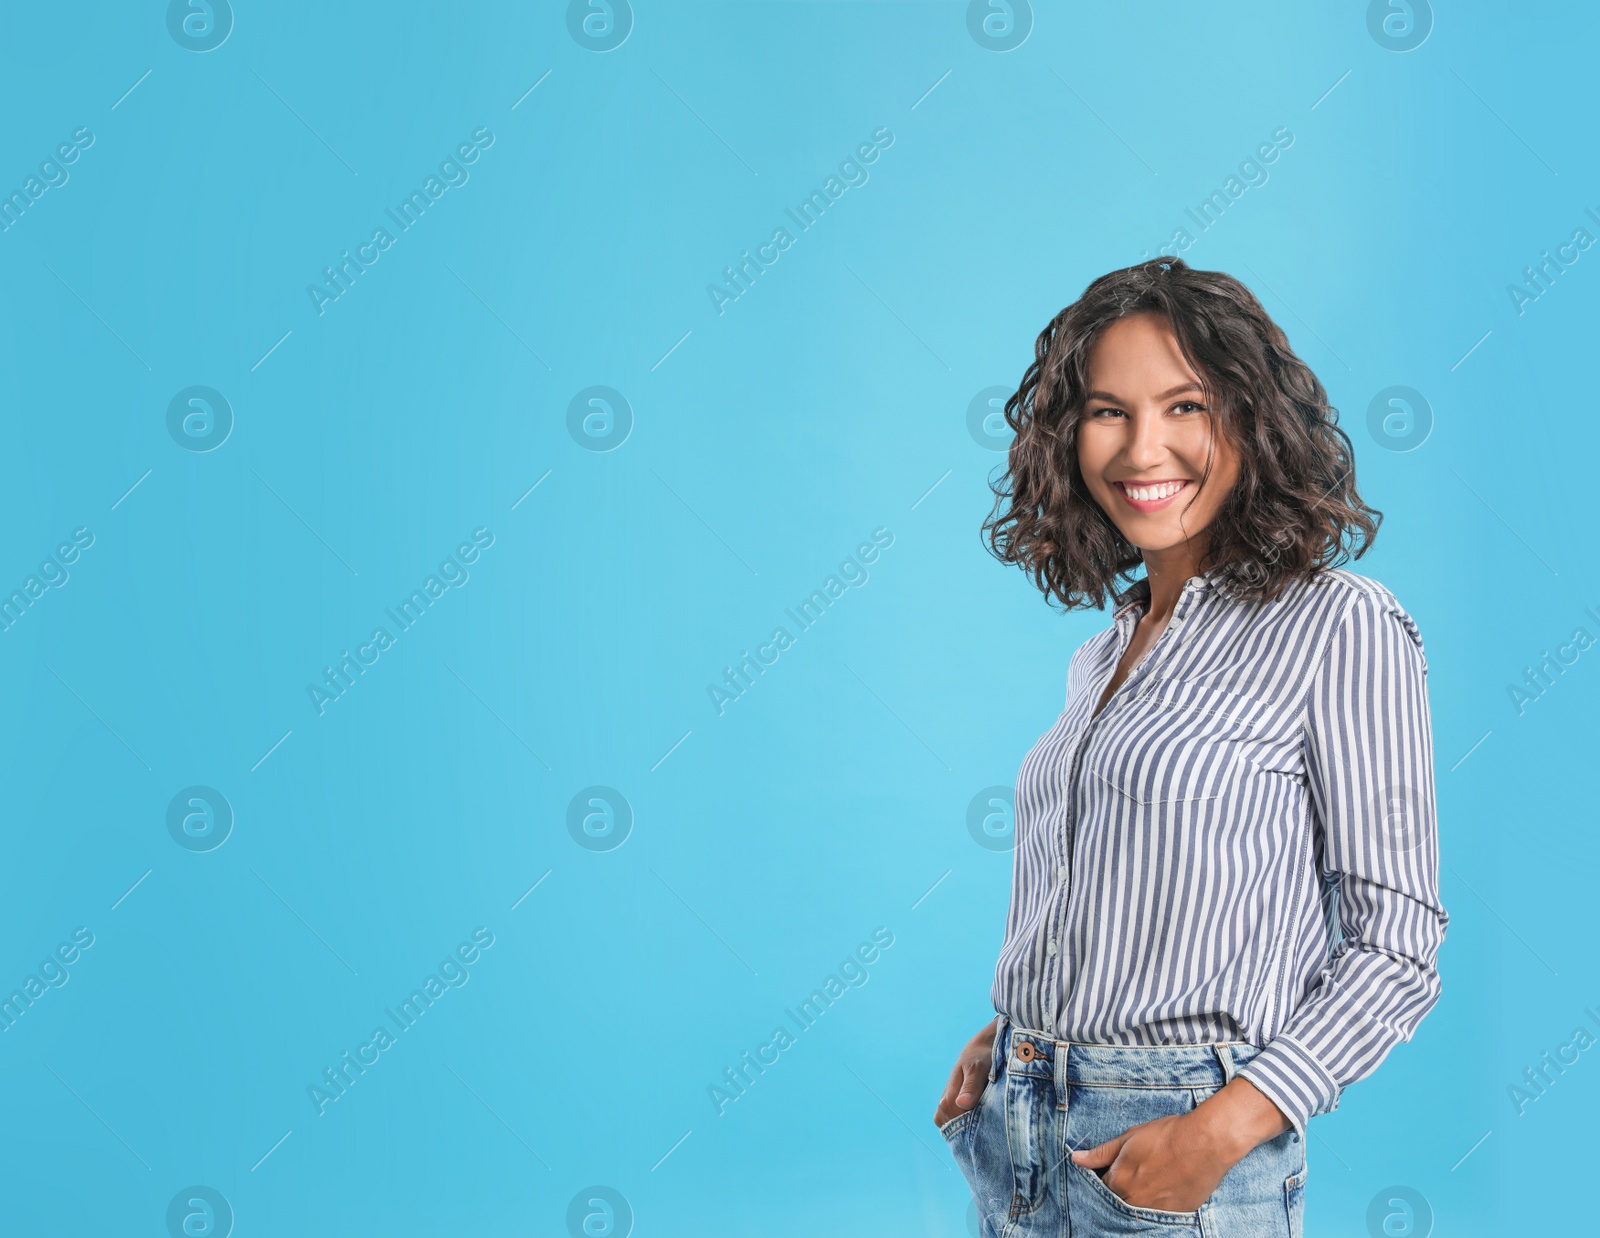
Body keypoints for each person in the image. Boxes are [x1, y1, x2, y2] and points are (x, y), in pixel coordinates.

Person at [935, 258, 1448, 1236]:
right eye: (1105, 410)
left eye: (1186, 405)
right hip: (1022, 1122)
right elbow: (1132, 891)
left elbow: (1396, 943)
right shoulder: (1102, 650)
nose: (1143, 446)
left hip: (1177, 1139)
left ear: (1252, 423)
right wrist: (1016, 1035)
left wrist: (1219, 1128)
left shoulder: (1339, 624)